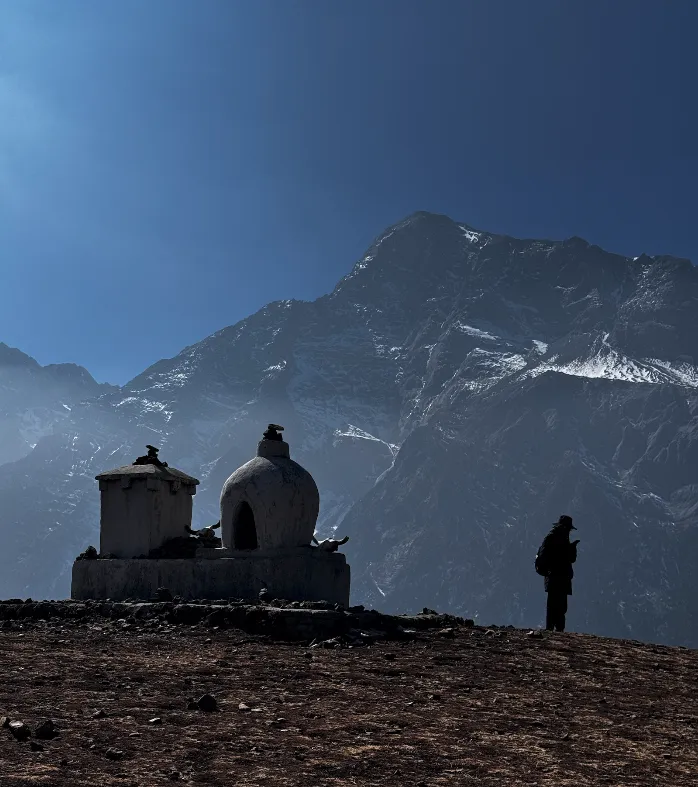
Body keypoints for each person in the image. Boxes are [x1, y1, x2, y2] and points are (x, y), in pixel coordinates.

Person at [537, 514, 579, 632]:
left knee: (554, 605)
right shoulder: (560, 538)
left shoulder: (553, 537)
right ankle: (557, 629)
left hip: (553, 576)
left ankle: (552, 629)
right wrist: (572, 548)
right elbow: (570, 559)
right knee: (559, 605)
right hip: (559, 577)